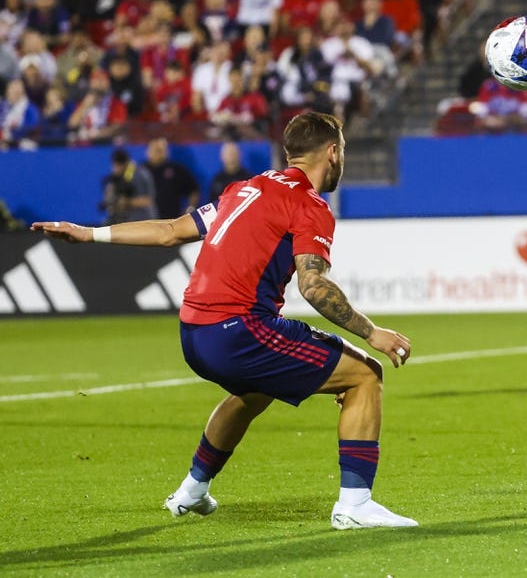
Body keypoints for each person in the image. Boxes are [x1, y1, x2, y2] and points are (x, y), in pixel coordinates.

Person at [32, 111, 417, 530]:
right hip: (238, 330)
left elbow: (169, 231)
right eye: (342, 149)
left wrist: (89, 233)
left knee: (256, 391)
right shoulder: (308, 204)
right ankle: (356, 506)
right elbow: (313, 286)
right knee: (364, 374)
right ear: (332, 152)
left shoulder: (245, 189)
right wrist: (371, 332)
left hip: (193, 332)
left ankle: (192, 492)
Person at [145, 137, 201, 219]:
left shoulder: (176, 170)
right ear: (148, 152)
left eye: (161, 150)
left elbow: (193, 190)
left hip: (171, 221)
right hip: (145, 221)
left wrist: (190, 209)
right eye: (155, 150)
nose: (158, 153)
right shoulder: (140, 171)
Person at [101, 147, 156, 224]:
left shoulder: (140, 175)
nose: (115, 169)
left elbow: (148, 200)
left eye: (118, 165)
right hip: (127, 220)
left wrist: (126, 202)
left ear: (126, 163)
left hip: (144, 221)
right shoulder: (118, 178)